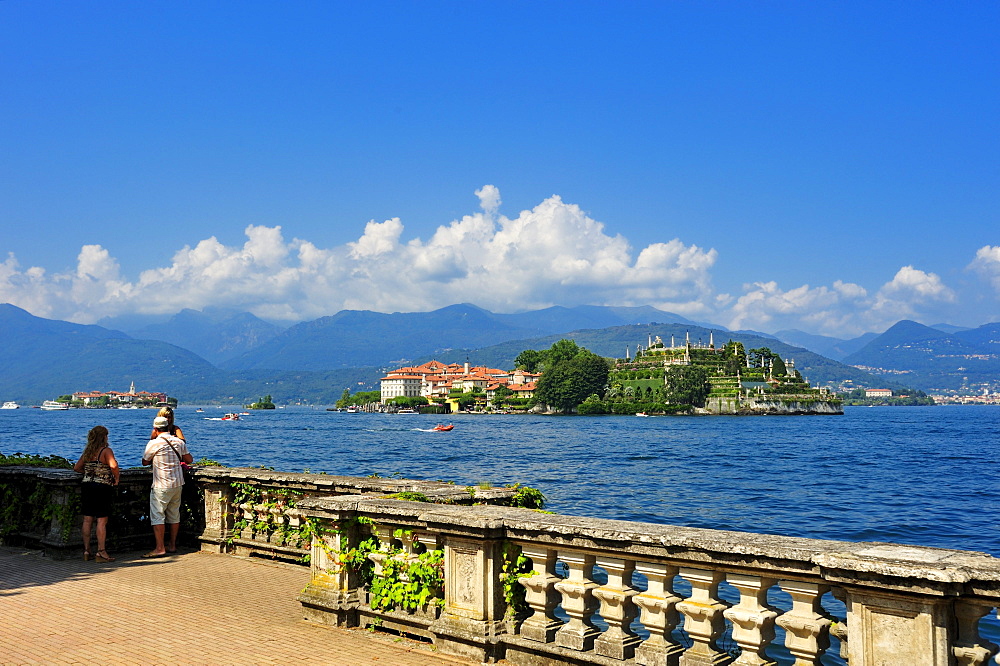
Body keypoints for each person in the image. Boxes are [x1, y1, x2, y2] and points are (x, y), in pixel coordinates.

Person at [141, 415, 192, 558]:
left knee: (158, 516)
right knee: (174, 515)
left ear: (155, 429)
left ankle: (159, 547)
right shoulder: (178, 442)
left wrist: (152, 439)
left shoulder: (154, 443)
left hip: (161, 485)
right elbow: (189, 459)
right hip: (177, 483)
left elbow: (145, 462)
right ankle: (172, 545)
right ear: (168, 427)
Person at [73, 425, 120, 562]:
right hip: (102, 487)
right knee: (101, 520)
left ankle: (87, 551)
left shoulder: (88, 451)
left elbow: (77, 467)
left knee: (87, 519)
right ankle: (101, 551)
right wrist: (116, 478)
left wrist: (88, 473)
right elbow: (113, 466)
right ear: (104, 437)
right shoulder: (106, 451)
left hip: (87, 486)